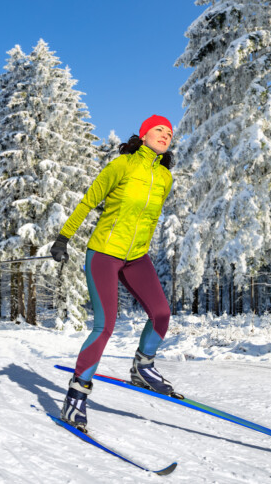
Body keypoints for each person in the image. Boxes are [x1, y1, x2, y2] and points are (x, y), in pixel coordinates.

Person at [49, 114, 180, 431]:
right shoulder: (121, 166)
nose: (165, 135)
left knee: (161, 313)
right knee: (105, 325)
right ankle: (76, 396)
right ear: (145, 134)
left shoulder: (165, 178)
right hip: (104, 254)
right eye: (159, 130)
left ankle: (142, 366)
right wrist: (64, 237)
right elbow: (88, 201)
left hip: (136, 257)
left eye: (170, 133)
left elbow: (146, 221)